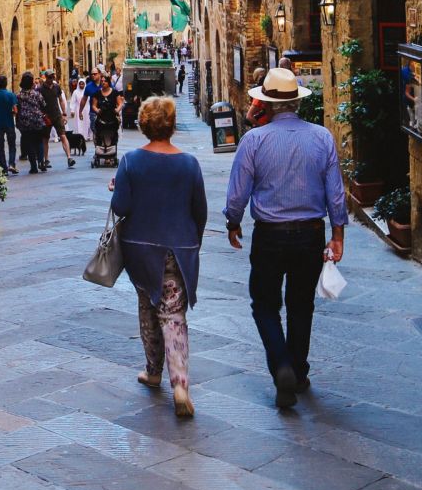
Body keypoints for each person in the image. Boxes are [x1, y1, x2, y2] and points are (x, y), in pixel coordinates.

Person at [224, 68, 347, 409]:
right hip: (310, 233)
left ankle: (281, 366)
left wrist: (233, 221)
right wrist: (337, 234)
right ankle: (298, 369)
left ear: (265, 103)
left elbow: (238, 193)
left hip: (270, 235)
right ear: (296, 102)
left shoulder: (254, 140)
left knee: (265, 305)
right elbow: (335, 193)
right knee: (301, 305)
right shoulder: (322, 137)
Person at [110, 96, 207, 418]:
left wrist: (118, 187)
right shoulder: (189, 163)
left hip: (140, 248)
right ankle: (180, 383)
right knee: (173, 313)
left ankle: (153, 371)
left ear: (143, 124)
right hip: (178, 248)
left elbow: (121, 207)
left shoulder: (130, 162)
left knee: (147, 308)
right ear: (172, 124)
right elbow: (200, 212)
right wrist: (194, 242)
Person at [40, 70, 76, 169]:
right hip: (46, 116)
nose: (52, 79)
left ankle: (69, 157)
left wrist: (64, 113)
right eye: (50, 77)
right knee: (45, 139)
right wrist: (42, 115)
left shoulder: (56, 87)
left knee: (63, 135)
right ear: (46, 77)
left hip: (57, 115)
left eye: (53, 77)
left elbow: (61, 100)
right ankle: (46, 159)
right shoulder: (40, 89)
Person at [16, 71, 48, 175]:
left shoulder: (19, 96)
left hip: (25, 122)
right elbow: (44, 105)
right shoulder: (36, 94)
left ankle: (33, 166)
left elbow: (17, 109)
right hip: (37, 121)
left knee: (29, 144)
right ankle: (41, 162)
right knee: (39, 141)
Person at [0, 74, 19, 175]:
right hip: (9, 123)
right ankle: (11, 164)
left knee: (0, 146)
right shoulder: (11, 95)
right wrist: (12, 114)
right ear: (6, 84)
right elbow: (15, 110)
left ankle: (3, 167)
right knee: (12, 145)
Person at [68, 76, 92, 153]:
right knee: (79, 123)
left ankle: (87, 136)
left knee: (87, 123)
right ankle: (81, 136)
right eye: (80, 84)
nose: (81, 85)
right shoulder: (75, 92)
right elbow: (73, 101)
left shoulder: (87, 91)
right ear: (78, 84)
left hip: (87, 108)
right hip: (79, 109)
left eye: (83, 84)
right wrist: (72, 110)